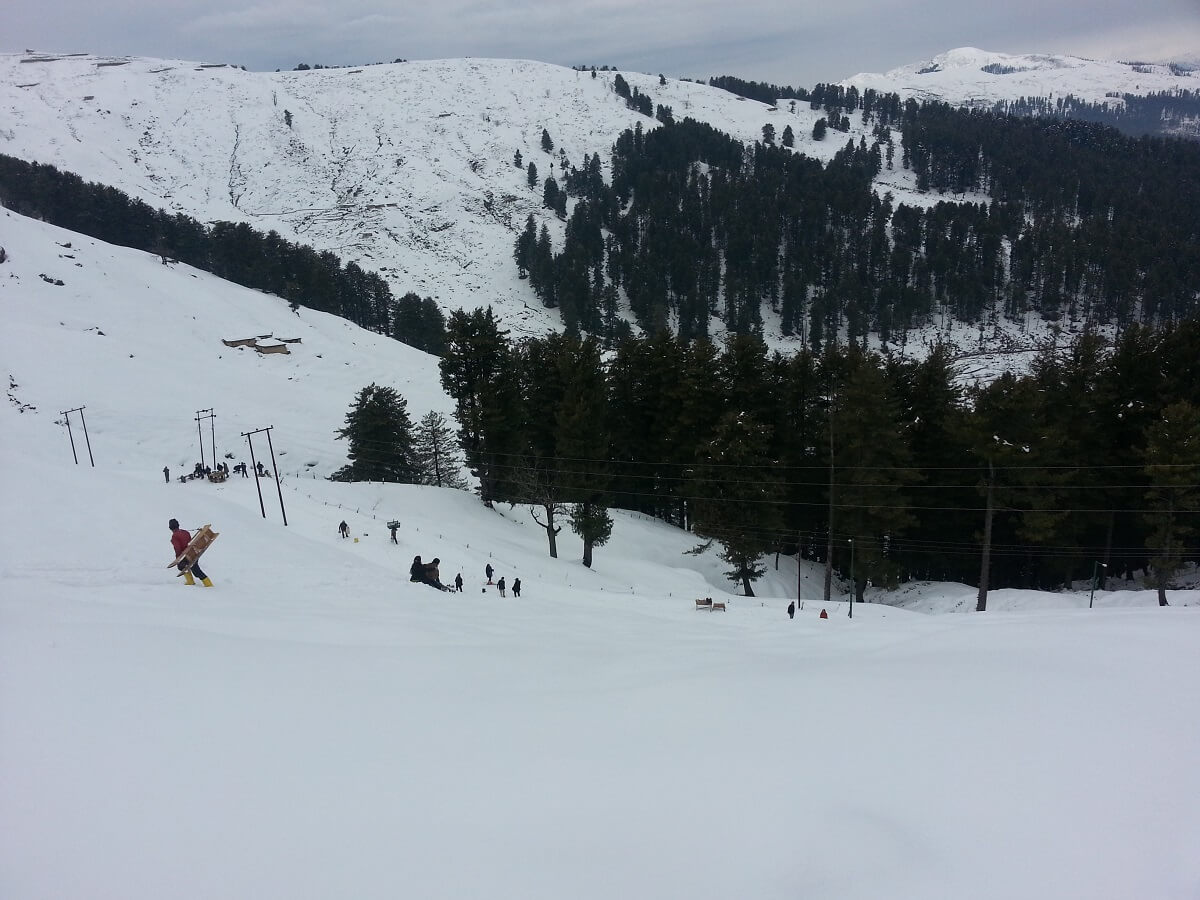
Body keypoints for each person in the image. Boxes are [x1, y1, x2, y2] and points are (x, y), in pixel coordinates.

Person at [169, 518, 212, 587]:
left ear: (170, 528)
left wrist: (178, 558)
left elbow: (178, 549)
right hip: (193, 552)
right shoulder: (185, 532)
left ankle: (195, 582)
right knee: (195, 569)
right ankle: (205, 583)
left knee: (182, 566)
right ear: (178, 525)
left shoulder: (174, 536)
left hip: (186, 556)